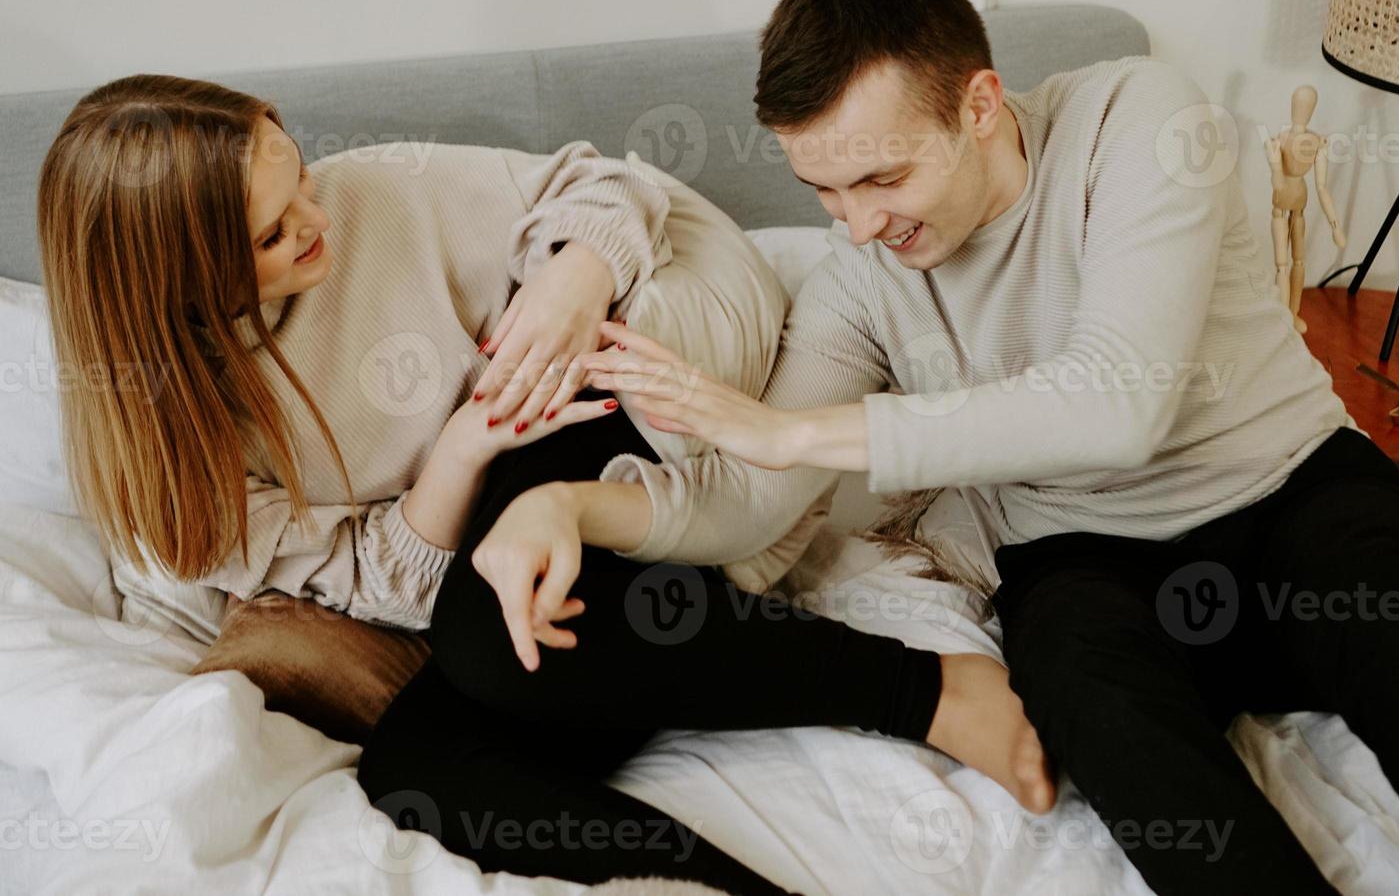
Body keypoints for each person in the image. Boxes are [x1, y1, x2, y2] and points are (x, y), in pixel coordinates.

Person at [487, 0, 1399, 896]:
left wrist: (796, 432)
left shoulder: (1139, 117)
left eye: (882, 179)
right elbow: (749, 499)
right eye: (823, 190)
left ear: (981, 104)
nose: (859, 223)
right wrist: (569, 505)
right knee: (1101, 710)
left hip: (1291, 493)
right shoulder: (859, 284)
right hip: (1085, 559)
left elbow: (1119, 401)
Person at [37, 73, 1053, 895]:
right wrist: (463, 448)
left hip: (656, 304)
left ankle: (922, 687)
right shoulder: (176, 462)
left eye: (297, 172)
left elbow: (604, 190)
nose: (317, 214)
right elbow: (386, 582)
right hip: (504, 463)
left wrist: (574, 278)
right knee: (418, 771)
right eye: (270, 233)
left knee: (489, 630)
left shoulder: (368, 193)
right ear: (178, 283)